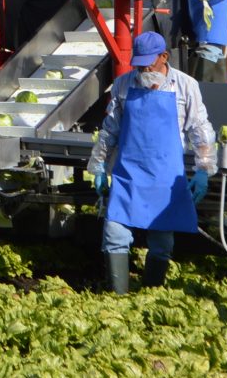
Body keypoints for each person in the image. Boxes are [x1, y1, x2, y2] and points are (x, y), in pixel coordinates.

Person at [88, 32, 218, 293]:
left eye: (149, 62)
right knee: (115, 234)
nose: (144, 68)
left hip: (165, 179)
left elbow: (200, 130)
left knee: (161, 241)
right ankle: (118, 296)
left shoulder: (185, 86)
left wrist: (203, 169)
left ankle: (151, 292)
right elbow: (110, 130)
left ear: (164, 57)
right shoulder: (123, 85)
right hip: (129, 175)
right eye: (139, 63)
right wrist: (99, 166)